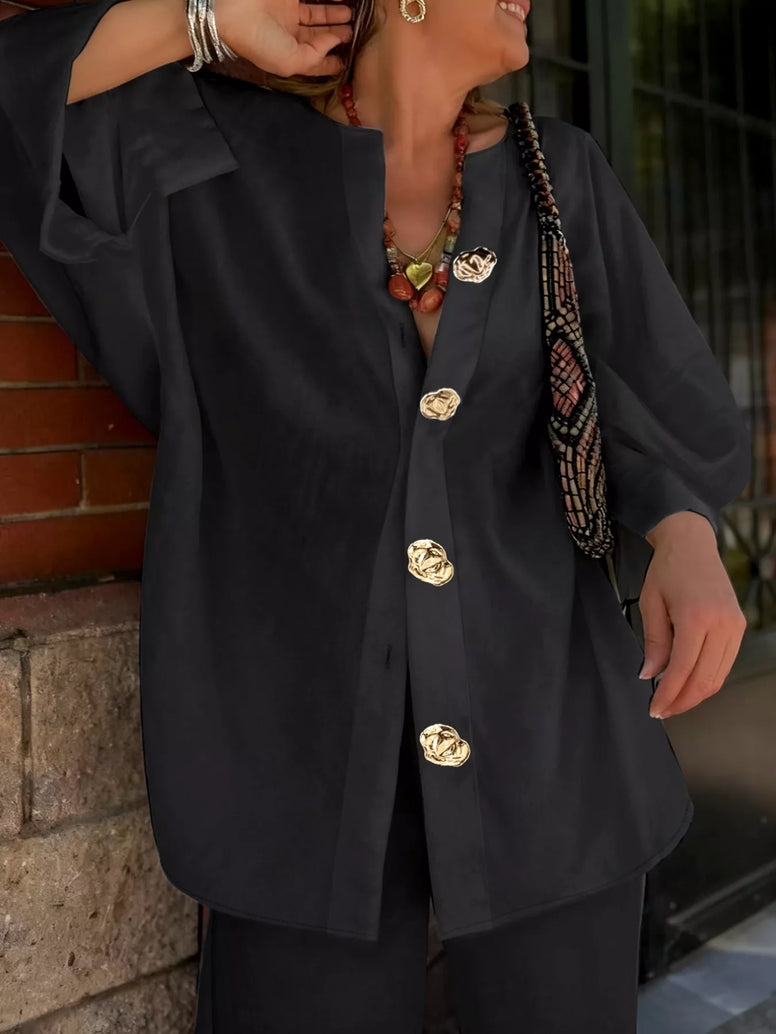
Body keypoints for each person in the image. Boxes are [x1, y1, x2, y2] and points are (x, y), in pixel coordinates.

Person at [0, 0, 750, 1028]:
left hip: (551, 741)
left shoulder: (558, 174)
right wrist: (207, 19)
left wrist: (683, 532)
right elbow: (16, 95)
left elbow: (641, 395)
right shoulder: (215, 160)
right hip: (293, 767)